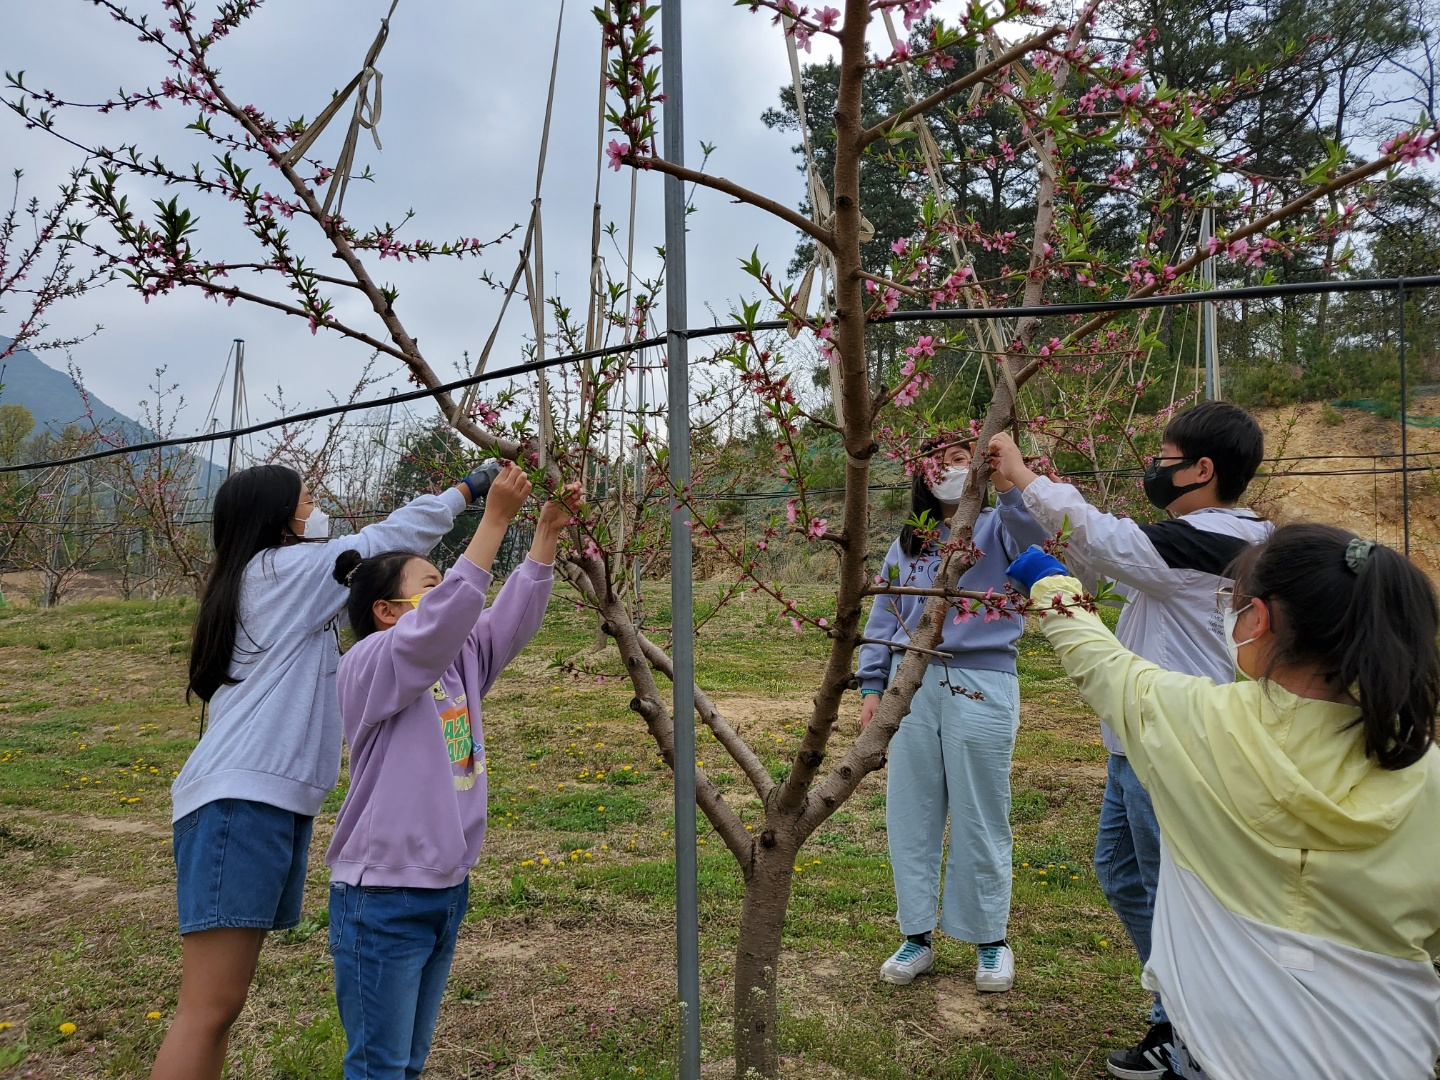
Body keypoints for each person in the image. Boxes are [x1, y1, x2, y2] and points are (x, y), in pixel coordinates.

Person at [1006, 525, 1440, 1080]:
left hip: (1228, 1058)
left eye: (1231, 607)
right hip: (1391, 1054)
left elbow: (1101, 663)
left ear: (1258, 620)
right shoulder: (1421, 768)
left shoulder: (1197, 723)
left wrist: (1048, 581)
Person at [152, 460, 501, 1080]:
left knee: (219, 1006)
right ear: (282, 516)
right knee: (209, 1007)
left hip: (266, 803)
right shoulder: (282, 570)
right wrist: (468, 492)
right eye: (308, 498)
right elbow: (376, 545)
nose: (319, 507)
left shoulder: (274, 589)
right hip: (240, 802)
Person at [988, 401, 1269, 1079]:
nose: (1154, 469)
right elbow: (1099, 557)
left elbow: (1107, 541)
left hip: (1177, 747)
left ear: (1202, 469)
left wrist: (1027, 475)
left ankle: (1196, 1029)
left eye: (1164, 459)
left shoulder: (1219, 543)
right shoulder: (1190, 542)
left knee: (1173, 894)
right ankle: (1177, 1008)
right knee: (1121, 873)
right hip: (1137, 747)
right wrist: (1024, 503)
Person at [325, 463, 577, 1079]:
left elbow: (506, 624)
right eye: (431, 584)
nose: (448, 595)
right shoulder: (370, 664)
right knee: (380, 1065)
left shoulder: (456, 661)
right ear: (387, 611)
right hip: (382, 896)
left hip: (443, 889)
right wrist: (492, 521)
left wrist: (544, 536)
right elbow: (441, 623)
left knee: (408, 1063)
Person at [857, 434, 1050, 992]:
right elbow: (885, 614)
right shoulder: (911, 541)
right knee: (910, 810)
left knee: (981, 810)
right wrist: (874, 685)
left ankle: (990, 939)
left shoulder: (999, 525)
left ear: (980, 467)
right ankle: (916, 934)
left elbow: (1038, 544)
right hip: (908, 679)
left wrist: (1011, 487)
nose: (947, 468)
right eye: (937, 460)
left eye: (960, 458)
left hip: (981, 678)